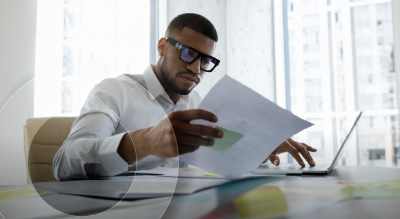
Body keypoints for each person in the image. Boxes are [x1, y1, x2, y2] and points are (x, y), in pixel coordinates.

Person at [53, 13, 316, 181]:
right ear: (162, 46)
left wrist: (260, 147)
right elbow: (64, 162)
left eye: (205, 61)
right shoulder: (113, 91)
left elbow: (222, 149)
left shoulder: (196, 102)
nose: (196, 69)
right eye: (188, 54)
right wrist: (145, 142)